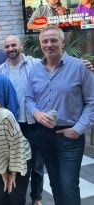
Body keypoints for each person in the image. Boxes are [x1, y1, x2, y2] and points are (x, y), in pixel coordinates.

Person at [25, 26, 94, 205]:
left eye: (53, 40)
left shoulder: (79, 67)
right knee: (55, 182)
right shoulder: (35, 70)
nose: (49, 44)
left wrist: (78, 130)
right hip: (44, 135)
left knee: (68, 184)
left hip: (70, 136)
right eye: (45, 41)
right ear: (40, 44)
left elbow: (92, 102)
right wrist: (37, 113)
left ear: (63, 42)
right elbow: (29, 98)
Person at [0, 35, 44, 205]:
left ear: (21, 46)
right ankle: (19, 196)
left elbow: (55, 67)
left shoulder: (35, 63)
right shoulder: (1, 69)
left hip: (34, 122)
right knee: (18, 163)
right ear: (4, 49)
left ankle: (37, 197)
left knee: (37, 164)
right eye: (7, 46)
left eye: (13, 45)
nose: (11, 49)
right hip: (14, 124)